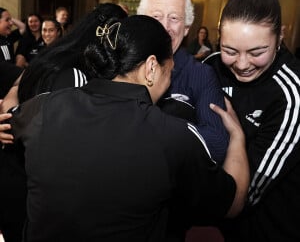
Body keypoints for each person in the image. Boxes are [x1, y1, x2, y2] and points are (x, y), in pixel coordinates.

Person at [8, 14, 249, 241]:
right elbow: (232, 203)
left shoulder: (42, 107)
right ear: (152, 67)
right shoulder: (173, 136)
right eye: (170, 70)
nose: (170, 80)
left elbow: (12, 122)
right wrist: (237, 137)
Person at [0, 3, 128, 242]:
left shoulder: (54, 56)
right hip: (33, 188)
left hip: (14, 173)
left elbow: (16, 90)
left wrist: (11, 119)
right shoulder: (77, 74)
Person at [205, 0, 300, 242]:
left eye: (257, 52)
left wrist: (237, 137)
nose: (242, 64)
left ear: (280, 36)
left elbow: (247, 193)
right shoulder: (211, 66)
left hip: (267, 227)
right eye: (230, 50)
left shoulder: (292, 94)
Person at [137, 0, 228, 164]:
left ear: (186, 28)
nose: (164, 26)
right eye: (156, 16)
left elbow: (216, 144)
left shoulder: (201, 75)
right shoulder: (123, 65)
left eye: (174, 18)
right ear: (141, 20)